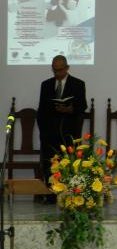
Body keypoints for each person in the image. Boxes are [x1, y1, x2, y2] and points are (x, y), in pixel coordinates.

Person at [37, 55, 88, 201]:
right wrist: (43, 130)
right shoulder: (46, 85)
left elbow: (82, 106)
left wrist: (70, 110)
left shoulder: (78, 84)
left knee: (68, 164)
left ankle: (68, 196)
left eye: (60, 70)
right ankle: (51, 195)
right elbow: (41, 109)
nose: (57, 73)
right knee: (50, 164)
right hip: (49, 133)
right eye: (55, 70)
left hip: (68, 132)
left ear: (67, 68)